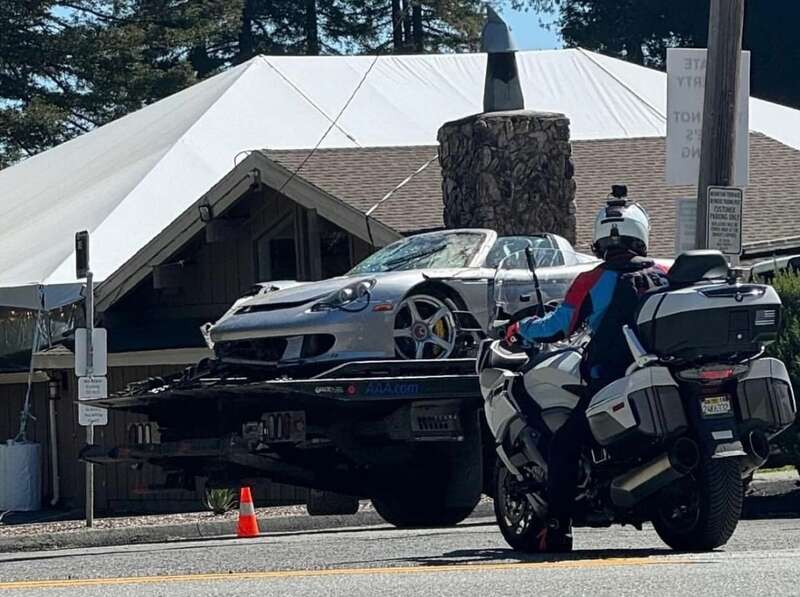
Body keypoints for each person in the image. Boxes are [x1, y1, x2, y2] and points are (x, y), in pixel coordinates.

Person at [504, 189, 669, 551]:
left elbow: (558, 327)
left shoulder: (593, 280)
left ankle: (558, 527)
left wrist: (520, 328)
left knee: (564, 444)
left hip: (611, 379)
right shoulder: (664, 272)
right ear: (640, 232)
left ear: (599, 237)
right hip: (665, 377)